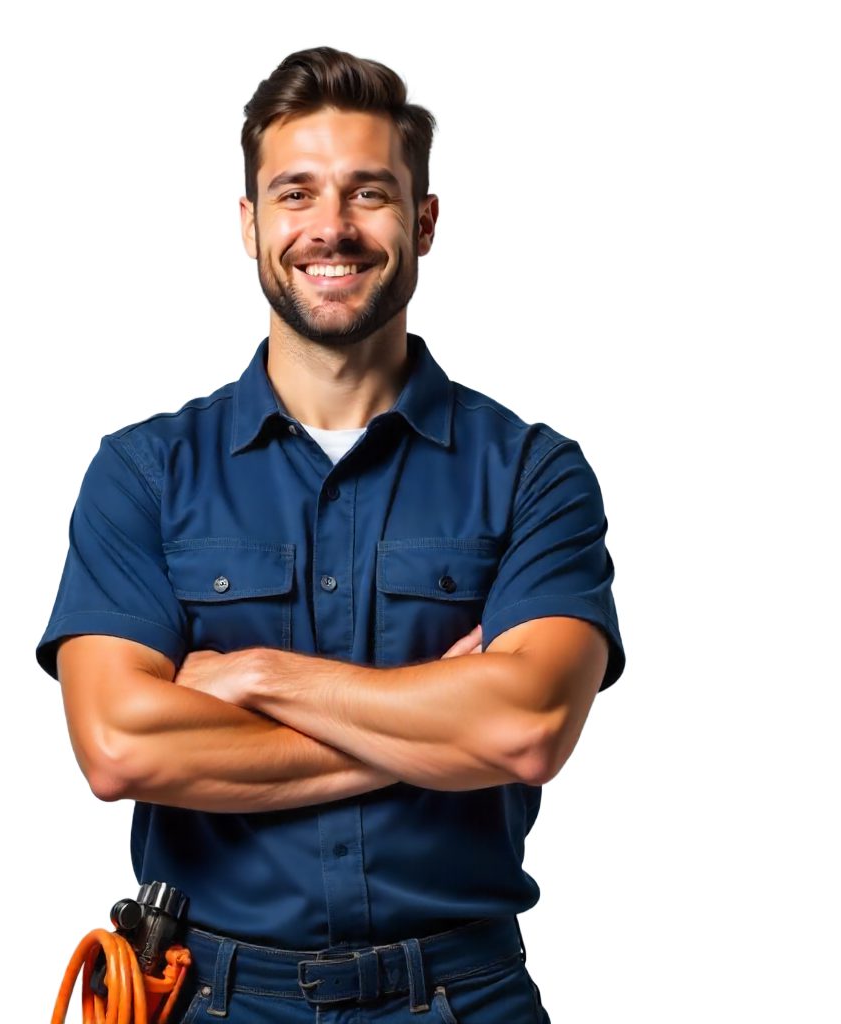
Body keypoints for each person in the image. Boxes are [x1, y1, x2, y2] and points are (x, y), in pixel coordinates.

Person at [36, 45, 625, 1024]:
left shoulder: (532, 473)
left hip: (463, 996)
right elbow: (120, 746)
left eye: (369, 192)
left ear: (423, 221)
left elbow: (524, 728)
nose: (331, 226)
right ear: (250, 223)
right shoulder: (143, 473)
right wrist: (440, 729)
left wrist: (255, 676)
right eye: (296, 193)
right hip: (211, 998)